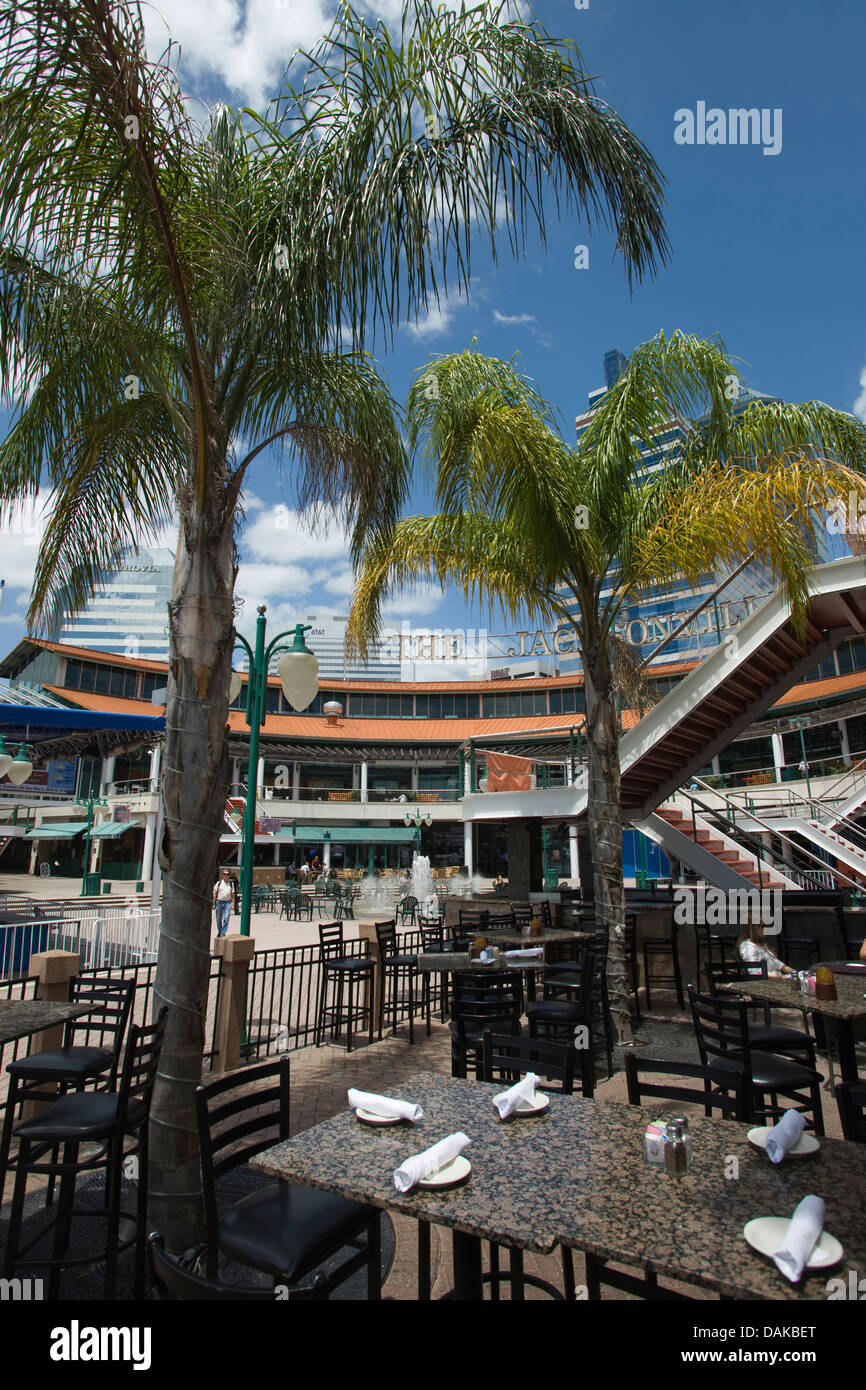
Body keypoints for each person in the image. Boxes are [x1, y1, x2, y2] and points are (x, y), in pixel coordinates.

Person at [213, 868, 233, 937]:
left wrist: (233, 904)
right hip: (219, 902)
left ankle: (222, 933)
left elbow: (232, 894)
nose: (225, 876)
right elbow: (215, 892)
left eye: (227, 874)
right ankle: (220, 931)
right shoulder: (219, 883)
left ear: (229, 875)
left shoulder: (231, 883)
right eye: (224, 874)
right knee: (218, 918)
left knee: (226, 918)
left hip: (227, 902)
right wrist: (214, 903)